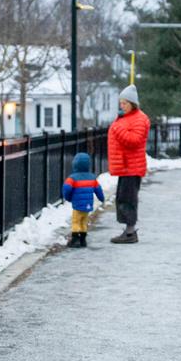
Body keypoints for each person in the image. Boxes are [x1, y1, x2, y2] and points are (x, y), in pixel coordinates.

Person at [108, 84, 150, 244]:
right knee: (122, 198)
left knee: (128, 199)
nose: (122, 105)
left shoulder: (139, 119)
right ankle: (128, 230)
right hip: (126, 166)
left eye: (125, 103)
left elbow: (134, 140)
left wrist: (117, 129)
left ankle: (130, 232)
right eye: (121, 103)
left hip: (132, 167)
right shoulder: (126, 118)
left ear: (132, 103)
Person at [62, 151, 105, 248]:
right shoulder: (92, 178)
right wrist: (101, 198)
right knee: (84, 221)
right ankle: (83, 239)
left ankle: (75, 239)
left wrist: (68, 197)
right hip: (88, 205)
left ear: (75, 164)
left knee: (76, 221)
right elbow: (98, 189)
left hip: (77, 205)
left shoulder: (72, 178)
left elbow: (66, 188)